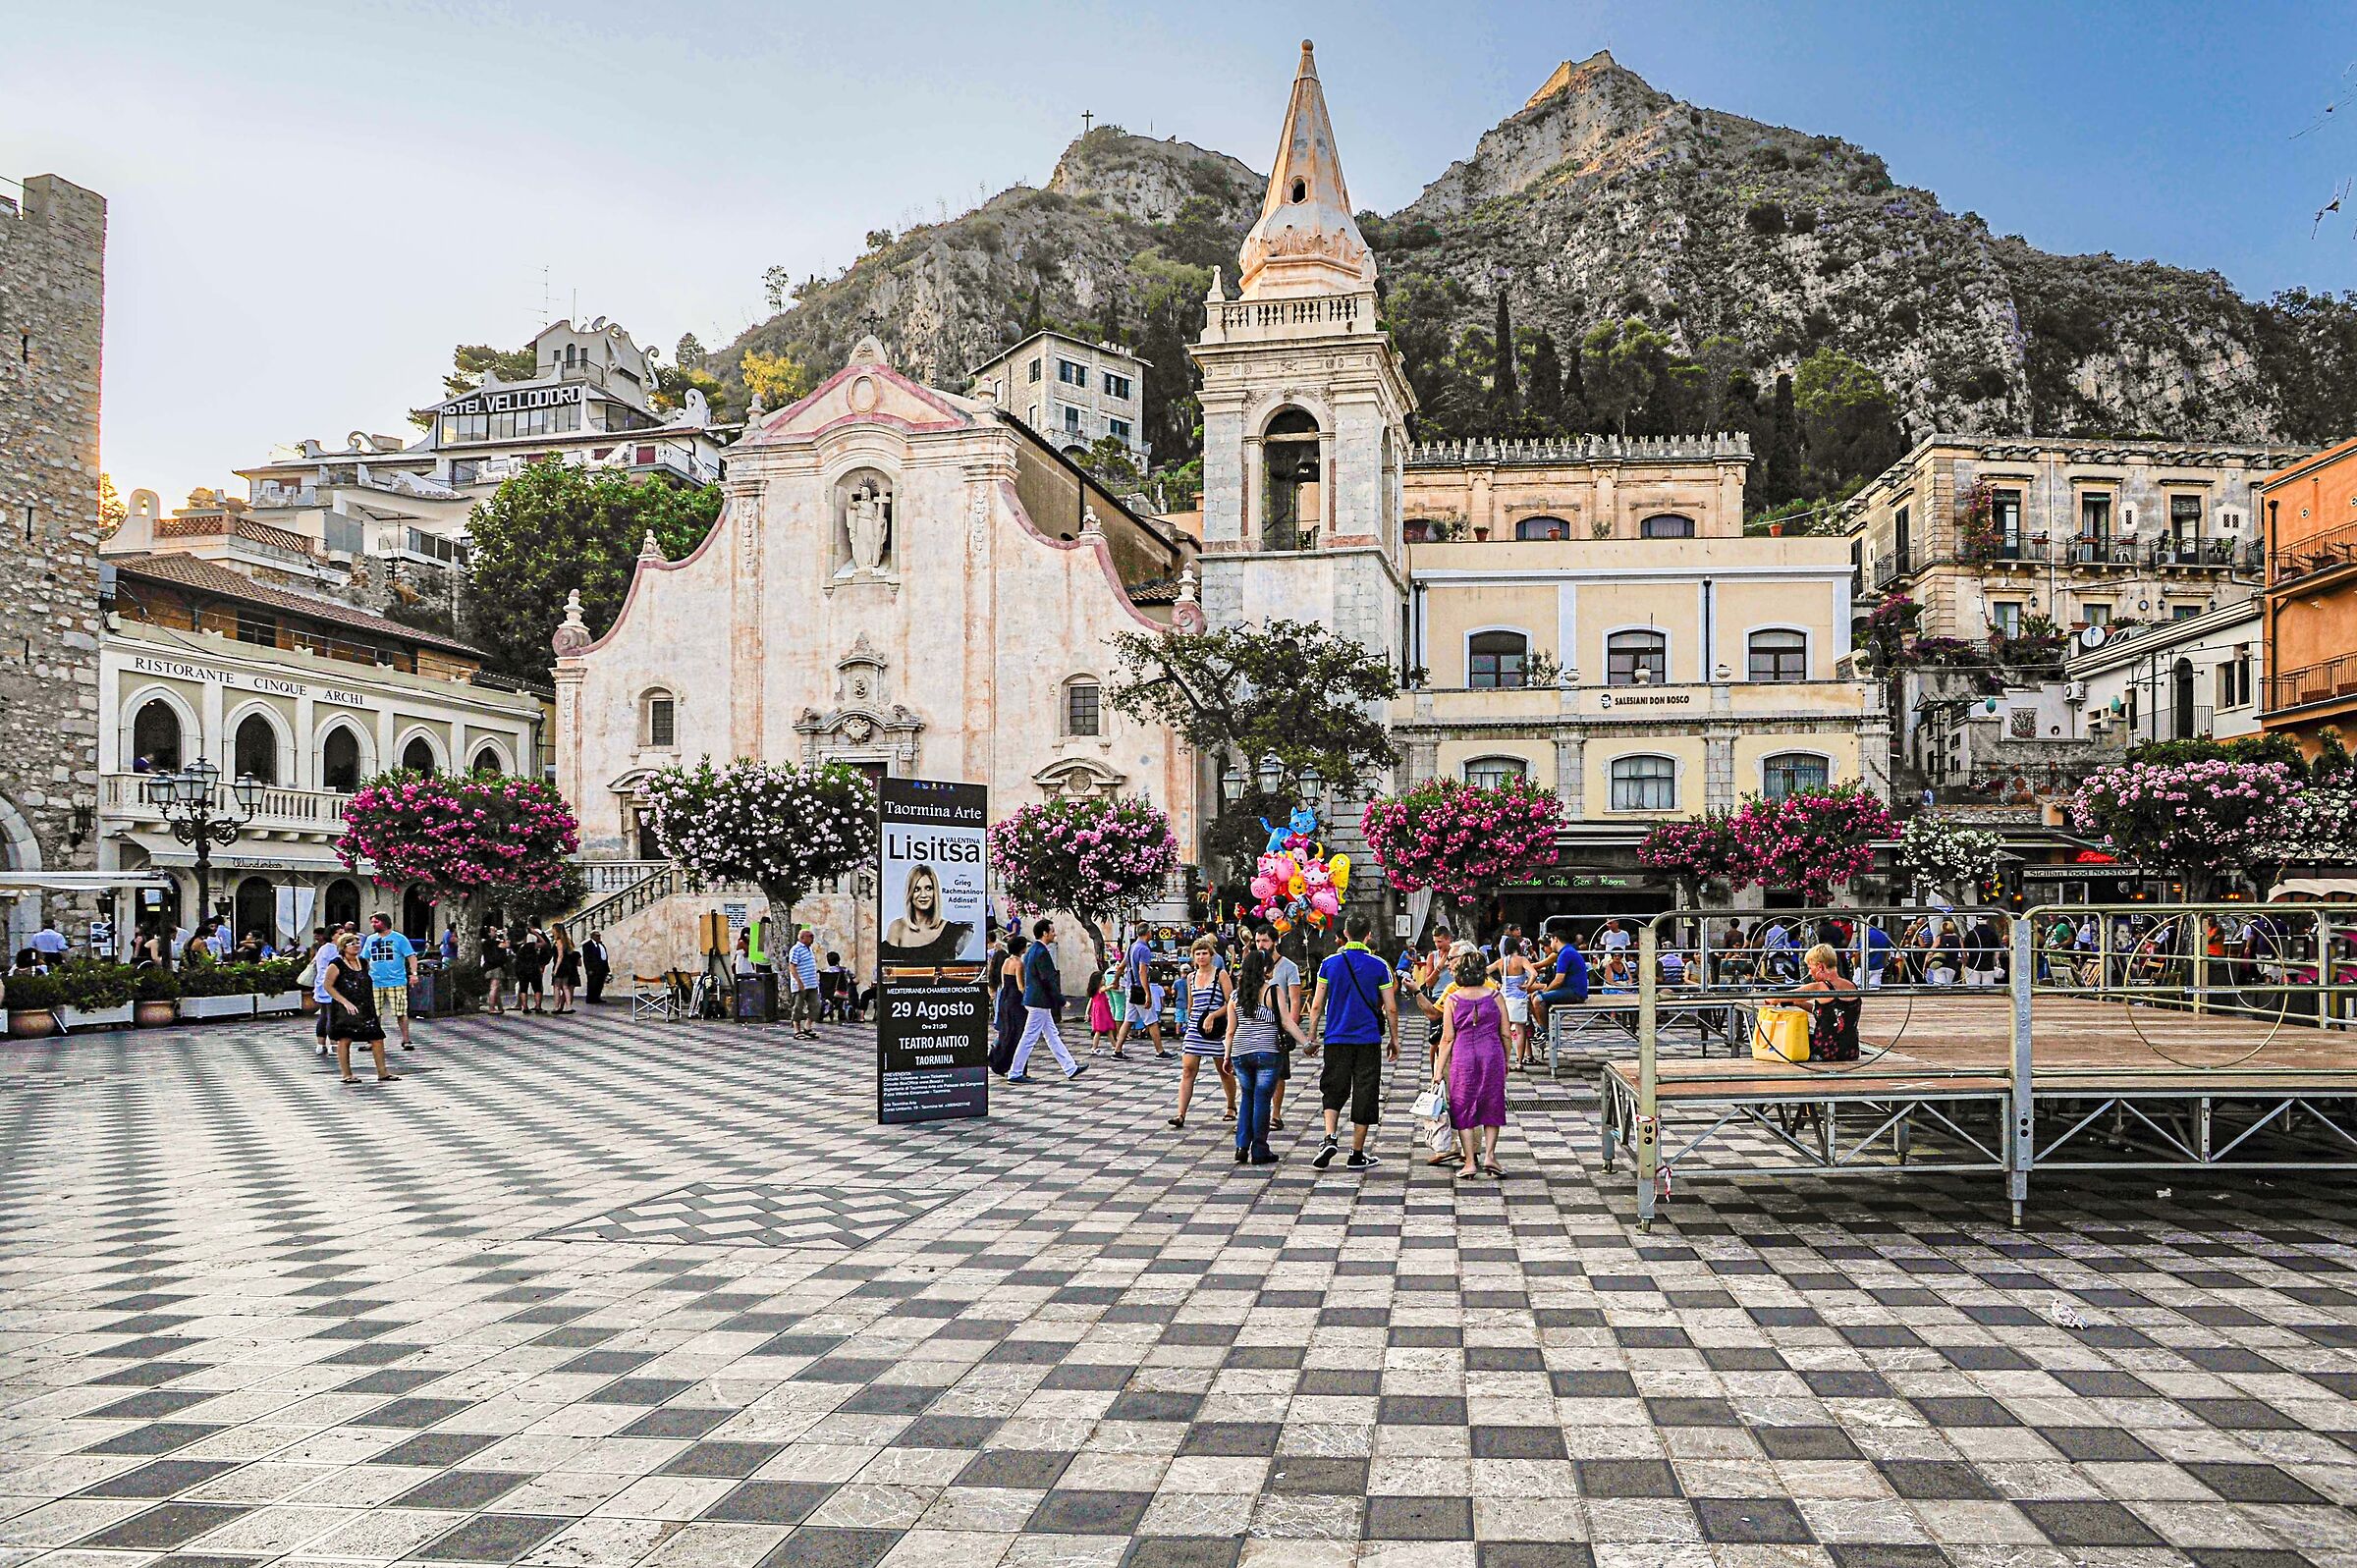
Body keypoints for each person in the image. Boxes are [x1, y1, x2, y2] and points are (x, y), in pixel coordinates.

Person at [1303, 913, 1398, 1170]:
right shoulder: (1379, 965)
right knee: (1365, 1092)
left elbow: (1316, 1005)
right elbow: (1391, 1008)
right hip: (1367, 1038)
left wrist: (1312, 1036)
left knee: (1334, 1087)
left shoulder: (1329, 964)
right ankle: (1356, 1153)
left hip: (1336, 1036)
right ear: (1368, 935)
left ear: (1345, 934)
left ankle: (1330, 1136)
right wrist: (1395, 1039)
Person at [1225, 933, 1307, 1166]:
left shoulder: (1235, 995)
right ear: (1265, 969)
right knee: (1262, 1100)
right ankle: (1259, 1149)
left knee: (1247, 1097)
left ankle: (1241, 1145)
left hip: (1240, 1052)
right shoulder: (1272, 991)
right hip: (1267, 1051)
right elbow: (1286, 1021)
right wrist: (1306, 1043)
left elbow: (1231, 1030)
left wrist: (1227, 1056)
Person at [1434, 948, 1509, 1179]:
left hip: (1463, 1056)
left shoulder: (1453, 1000)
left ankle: (1469, 1162)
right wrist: (1506, 1060)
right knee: (1492, 1101)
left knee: (1462, 1104)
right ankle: (1490, 1156)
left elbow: (1447, 1038)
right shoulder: (1496, 996)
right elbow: (1506, 1033)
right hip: (1492, 1053)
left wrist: (1438, 1072)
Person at [1168, 935, 1233, 1126]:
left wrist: (1213, 1016)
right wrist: (1188, 1022)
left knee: (1223, 1069)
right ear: (1193, 957)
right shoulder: (1191, 977)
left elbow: (1231, 1002)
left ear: (1211, 955)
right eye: (1198, 953)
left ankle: (1231, 1105)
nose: (1202, 956)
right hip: (1196, 1027)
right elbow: (1191, 1004)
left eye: (1205, 953)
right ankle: (1181, 1113)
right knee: (1188, 1070)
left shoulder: (1220, 974)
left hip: (1217, 1026)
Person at [1010, 917, 1082, 1082]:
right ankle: (1015, 1072)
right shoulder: (1041, 953)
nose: (1054, 933)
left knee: (1052, 1035)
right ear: (1044, 933)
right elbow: (1047, 979)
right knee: (1029, 1037)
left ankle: (1070, 1068)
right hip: (1038, 1001)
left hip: (1035, 1000)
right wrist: (1062, 1000)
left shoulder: (1032, 951)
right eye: (1052, 930)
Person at [324, 933, 397, 1085]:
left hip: (365, 1006)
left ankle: (383, 1072)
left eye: (357, 942)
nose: (356, 945)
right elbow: (328, 985)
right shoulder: (336, 964)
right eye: (352, 943)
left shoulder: (363, 962)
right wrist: (345, 1002)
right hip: (345, 1007)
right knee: (345, 1038)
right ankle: (346, 1074)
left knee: (377, 1038)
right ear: (343, 947)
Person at [1255, 926, 1302, 1131]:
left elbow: (1295, 999)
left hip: (1278, 1025)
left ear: (1275, 942)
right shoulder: (1254, 964)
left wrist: (1290, 1029)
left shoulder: (1288, 967)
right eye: (1258, 941)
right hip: (1256, 1026)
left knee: (1279, 1074)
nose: (1261, 945)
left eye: (1264, 941)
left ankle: (1276, 1113)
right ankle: (1258, 1113)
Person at [881, 862, 975, 964]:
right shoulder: (897, 927)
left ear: (935, 892)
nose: (923, 895)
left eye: (928, 888)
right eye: (917, 889)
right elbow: (888, 972)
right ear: (910, 893)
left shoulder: (953, 931)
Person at [359, 913, 419, 1052]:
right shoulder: (370, 939)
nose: (373, 924)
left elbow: (411, 956)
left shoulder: (399, 938)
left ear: (385, 922)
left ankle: (406, 1040)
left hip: (396, 980)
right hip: (375, 981)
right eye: (372, 922)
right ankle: (373, 1040)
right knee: (374, 1013)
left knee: (401, 1012)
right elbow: (365, 959)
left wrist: (414, 974)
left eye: (376, 922)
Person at [1796, 942, 1861, 1061]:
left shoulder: (1820, 987)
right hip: (1851, 1052)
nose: (1810, 973)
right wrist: (1799, 1003)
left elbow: (1785, 996)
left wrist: (1771, 999)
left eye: (1810, 968)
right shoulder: (1852, 986)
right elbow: (1830, 1012)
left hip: (1825, 1052)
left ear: (1820, 967)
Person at [1111, 925, 1165, 1058]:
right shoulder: (1144, 949)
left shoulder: (1132, 947)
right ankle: (1160, 1051)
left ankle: (1117, 1050)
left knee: (1128, 1019)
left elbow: (1121, 966)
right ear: (1148, 933)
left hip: (1130, 987)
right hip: (1139, 989)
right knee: (1151, 1020)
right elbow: (1142, 971)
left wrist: (1116, 980)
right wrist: (1147, 993)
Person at [1529, 930, 1591, 1039]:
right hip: (1569, 989)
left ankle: (1546, 1032)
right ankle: (1542, 1028)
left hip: (1575, 992)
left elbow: (1558, 980)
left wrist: (1545, 991)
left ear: (1556, 939)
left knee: (1538, 999)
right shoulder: (1566, 951)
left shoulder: (1565, 953)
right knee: (1532, 996)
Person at [305, 924, 337, 1056]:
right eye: (339, 933)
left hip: (321, 985)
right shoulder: (334, 949)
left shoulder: (322, 949)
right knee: (332, 1016)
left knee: (324, 1015)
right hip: (332, 985)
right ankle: (333, 1045)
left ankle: (321, 1045)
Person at [785, 928, 822, 1038]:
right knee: (798, 1007)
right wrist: (799, 981)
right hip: (800, 984)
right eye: (810, 936)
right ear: (802, 938)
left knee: (815, 1005)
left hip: (812, 983)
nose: (812, 938)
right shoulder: (796, 949)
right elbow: (792, 966)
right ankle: (797, 1030)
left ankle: (807, 1027)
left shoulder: (809, 949)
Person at [514, 927, 548, 1015]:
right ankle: (538, 1006)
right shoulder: (530, 945)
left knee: (523, 988)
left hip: (521, 969)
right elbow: (544, 943)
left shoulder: (518, 947)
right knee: (537, 988)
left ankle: (525, 1007)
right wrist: (536, 934)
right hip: (533, 968)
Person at [550, 927, 580, 1014]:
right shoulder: (567, 941)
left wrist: (555, 969)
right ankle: (568, 1006)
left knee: (557, 987)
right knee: (565, 987)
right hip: (567, 966)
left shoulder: (559, 941)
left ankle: (556, 1006)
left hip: (560, 966)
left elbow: (560, 956)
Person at [1085, 968, 1116, 1054]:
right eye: (1102, 978)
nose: (1104, 980)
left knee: (1108, 1029)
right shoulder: (1100, 989)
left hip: (1103, 1011)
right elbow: (1105, 989)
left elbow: (1090, 1002)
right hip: (1101, 1012)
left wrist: (1087, 1012)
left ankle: (1114, 1045)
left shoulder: (1094, 991)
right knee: (1099, 1030)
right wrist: (1112, 985)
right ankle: (1094, 1048)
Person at [481, 930, 511, 1015]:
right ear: (489, 933)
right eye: (493, 930)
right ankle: (491, 1008)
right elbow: (507, 945)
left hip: (488, 966)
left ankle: (500, 1007)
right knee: (494, 987)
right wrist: (505, 935)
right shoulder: (494, 943)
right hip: (495, 967)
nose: (496, 932)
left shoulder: (485, 943)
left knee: (496, 988)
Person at [582, 931, 610, 1004]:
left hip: (602, 968)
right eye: (597, 936)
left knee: (599, 984)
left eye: (599, 936)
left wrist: (607, 969)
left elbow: (604, 957)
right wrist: (589, 969)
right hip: (593, 968)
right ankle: (590, 998)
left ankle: (597, 997)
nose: (598, 937)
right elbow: (586, 958)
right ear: (592, 936)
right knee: (592, 984)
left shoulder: (601, 945)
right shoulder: (587, 945)